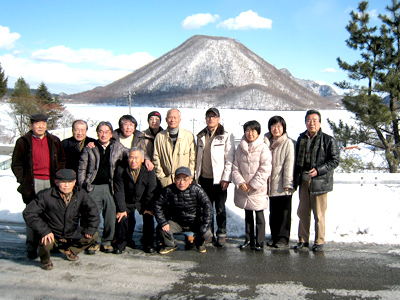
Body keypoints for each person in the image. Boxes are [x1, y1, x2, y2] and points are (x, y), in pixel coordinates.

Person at [12, 113, 66, 259]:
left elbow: (62, 160)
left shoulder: (54, 141)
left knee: (51, 214)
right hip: (32, 182)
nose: (40, 126)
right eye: (37, 123)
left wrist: (59, 178)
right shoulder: (23, 142)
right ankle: (31, 246)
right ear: (31, 125)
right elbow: (16, 164)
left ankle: (51, 245)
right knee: (32, 214)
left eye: (43, 123)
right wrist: (23, 180)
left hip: (51, 182)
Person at [23, 169, 100, 270]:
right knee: (45, 242)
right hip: (52, 233)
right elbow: (29, 213)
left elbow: (93, 211)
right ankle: (45, 261)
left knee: (93, 235)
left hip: (71, 232)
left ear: (75, 182)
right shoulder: (46, 195)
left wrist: (90, 228)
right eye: (63, 182)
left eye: (70, 182)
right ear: (56, 182)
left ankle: (70, 250)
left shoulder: (80, 194)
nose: (67, 185)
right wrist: (44, 231)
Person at [78, 121, 128, 254]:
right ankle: (93, 241)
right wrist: (82, 186)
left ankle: (107, 241)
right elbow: (82, 168)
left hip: (110, 187)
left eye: (107, 132)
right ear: (97, 133)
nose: (103, 134)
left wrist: (145, 159)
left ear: (111, 134)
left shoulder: (117, 147)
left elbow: (132, 154)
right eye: (101, 131)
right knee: (92, 216)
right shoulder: (90, 147)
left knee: (110, 216)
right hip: (93, 187)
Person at [293, 110, 339, 252]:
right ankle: (303, 239)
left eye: (314, 120)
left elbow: (335, 160)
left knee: (319, 214)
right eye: (309, 120)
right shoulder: (302, 139)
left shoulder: (328, 140)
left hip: (319, 182)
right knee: (303, 212)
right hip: (304, 181)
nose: (311, 123)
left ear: (319, 123)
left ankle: (319, 241)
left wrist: (319, 170)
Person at [196, 108, 235, 247]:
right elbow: (198, 157)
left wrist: (226, 178)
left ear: (219, 119)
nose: (211, 119)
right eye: (208, 117)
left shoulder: (225, 135)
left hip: (219, 179)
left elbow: (229, 159)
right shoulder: (201, 135)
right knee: (207, 208)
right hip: (205, 177)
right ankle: (209, 233)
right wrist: (197, 175)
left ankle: (222, 233)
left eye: (214, 117)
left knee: (220, 207)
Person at [232, 120, 272, 251]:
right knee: (248, 215)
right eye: (248, 130)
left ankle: (260, 242)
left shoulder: (263, 147)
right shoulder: (240, 148)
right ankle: (248, 240)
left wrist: (253, 184)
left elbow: (265, 168)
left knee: (259, 215)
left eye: (253, 131)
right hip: (244, 188)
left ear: (258, 133)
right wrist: (240, 182)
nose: (250, 133)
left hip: (257, 189)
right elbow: (235, 167)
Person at [154, 166, 213, 254]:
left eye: (185, 179)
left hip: (194, 222)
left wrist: (205, 224)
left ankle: (198, 243)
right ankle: (170, 245)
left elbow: (207, 206)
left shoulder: (197, 190)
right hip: (177, 222)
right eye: (178, 179)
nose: (182, 182)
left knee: (207, 232)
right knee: (162, 229)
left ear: (190, 180)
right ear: (174, 180)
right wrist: (163, 222)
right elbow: (158, 205)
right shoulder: (169, 190)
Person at [113, 147, 158, 254]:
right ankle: (122, 242)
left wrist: (148, 208)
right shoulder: (121, 170)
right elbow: (119, 191)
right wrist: (122, 208)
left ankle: (148, 242)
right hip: (127, 200)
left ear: (142, 159)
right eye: (131, 157)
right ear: (127, 159)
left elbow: (151, 190)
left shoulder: (149, 170)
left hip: (143, 201)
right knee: (122, 217)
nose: (134, 161)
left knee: (148, 216)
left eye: (137, 158)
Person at [264, 116, 295, 248]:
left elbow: (289, 163)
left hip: (283, 183)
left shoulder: (287, 143)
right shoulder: (266, 142)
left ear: (283, 128)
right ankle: (274, 236)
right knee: (273, 212)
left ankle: (283, 238)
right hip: (270, 183)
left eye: (279, 126)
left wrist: (288, 184)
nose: (276, 129)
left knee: (284, 213)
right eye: (273, 126)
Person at [152, 109, 196, 188]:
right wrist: (162, 178)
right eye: (170, 117)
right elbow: (156, 158)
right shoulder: (160, 137)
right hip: (166, 181)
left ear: (180, 119)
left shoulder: (188, 136)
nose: (172, 120)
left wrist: (189, 177)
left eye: (175, 117)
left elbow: (192, 159)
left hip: (184, 182)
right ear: (166, 119)